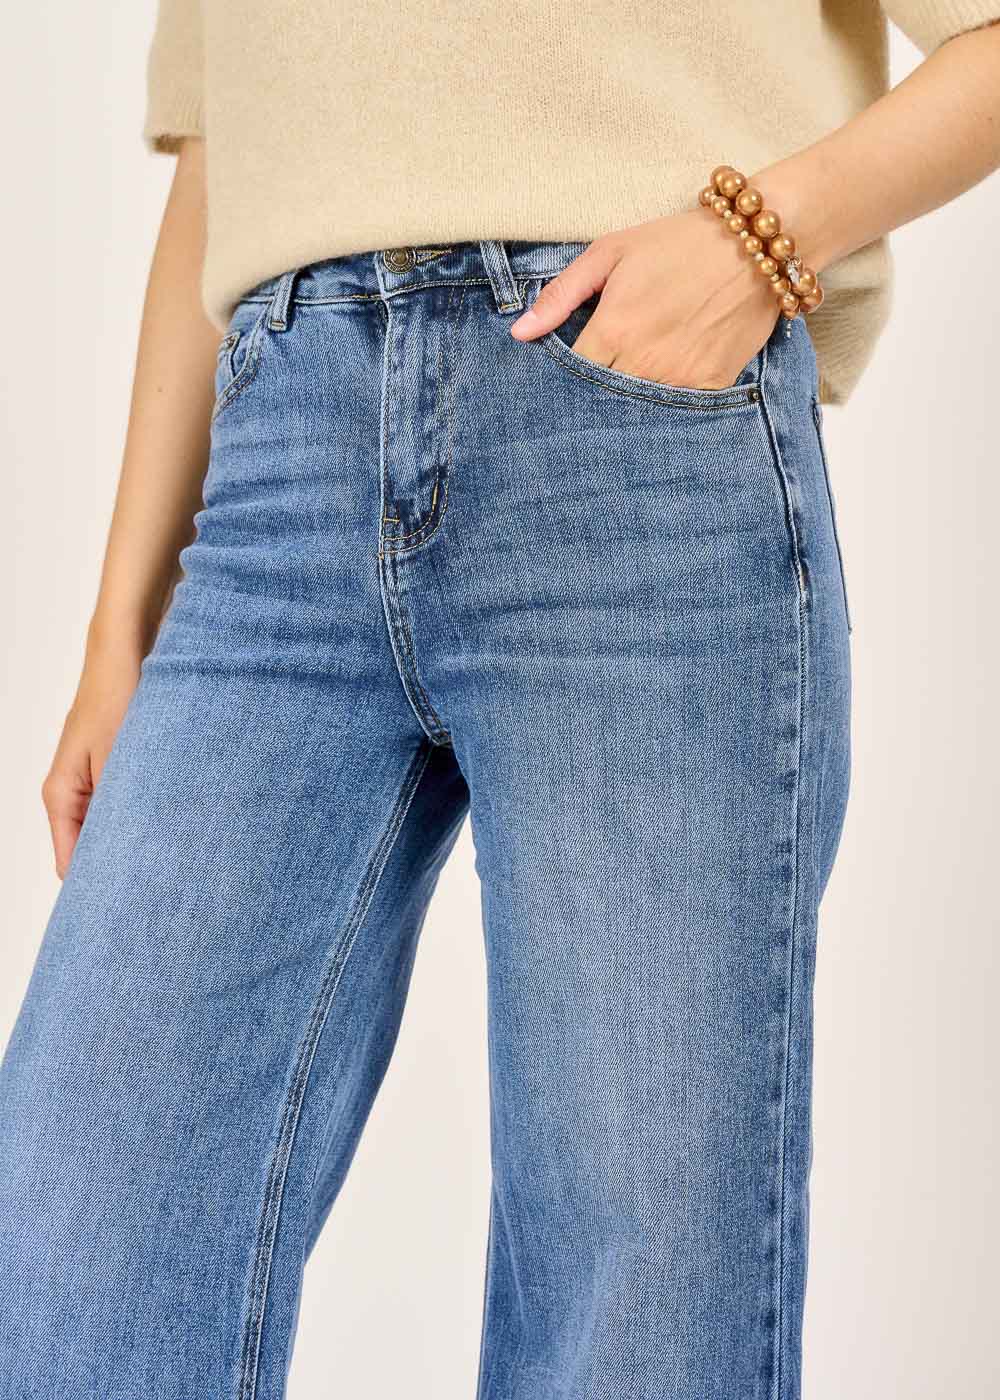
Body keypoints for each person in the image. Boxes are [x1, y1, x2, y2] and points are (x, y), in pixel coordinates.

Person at [2, 3, 999, 1397]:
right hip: (277, 472)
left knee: (634, 1301)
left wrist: (758, 236)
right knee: (74, 1226)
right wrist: (120, 627)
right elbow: (229, 151)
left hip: (632, 427)